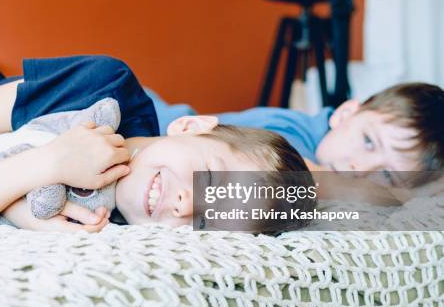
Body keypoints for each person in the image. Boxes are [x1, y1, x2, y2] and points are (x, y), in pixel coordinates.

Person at [0, 55, 315, 233]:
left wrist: (19, 212)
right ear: (189, 127)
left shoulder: (101, 224)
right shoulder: (107, 87)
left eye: (209, 219)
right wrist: (43, 170)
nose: (189, 202)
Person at [149, 83, 444, 188]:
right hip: (144, 117)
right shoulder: (284, 132)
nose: (361, 169)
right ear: (345, 113)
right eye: (369, 142)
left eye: (389, 175)